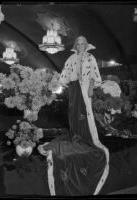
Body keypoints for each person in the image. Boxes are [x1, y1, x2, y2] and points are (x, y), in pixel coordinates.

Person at [38, 36, 109, 196]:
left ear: (86, 45)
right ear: (76, 46)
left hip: (85, 89)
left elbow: (94, 74)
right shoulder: (71, 57)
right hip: (74, 88)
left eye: (83, 43)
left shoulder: (91, 57)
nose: (81, 46)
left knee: (86, 113)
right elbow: (66, 73)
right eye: (78, 44)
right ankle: (77, 135)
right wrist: (66, 82)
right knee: (74, 114)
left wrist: (91, 87)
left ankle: (87, 137)